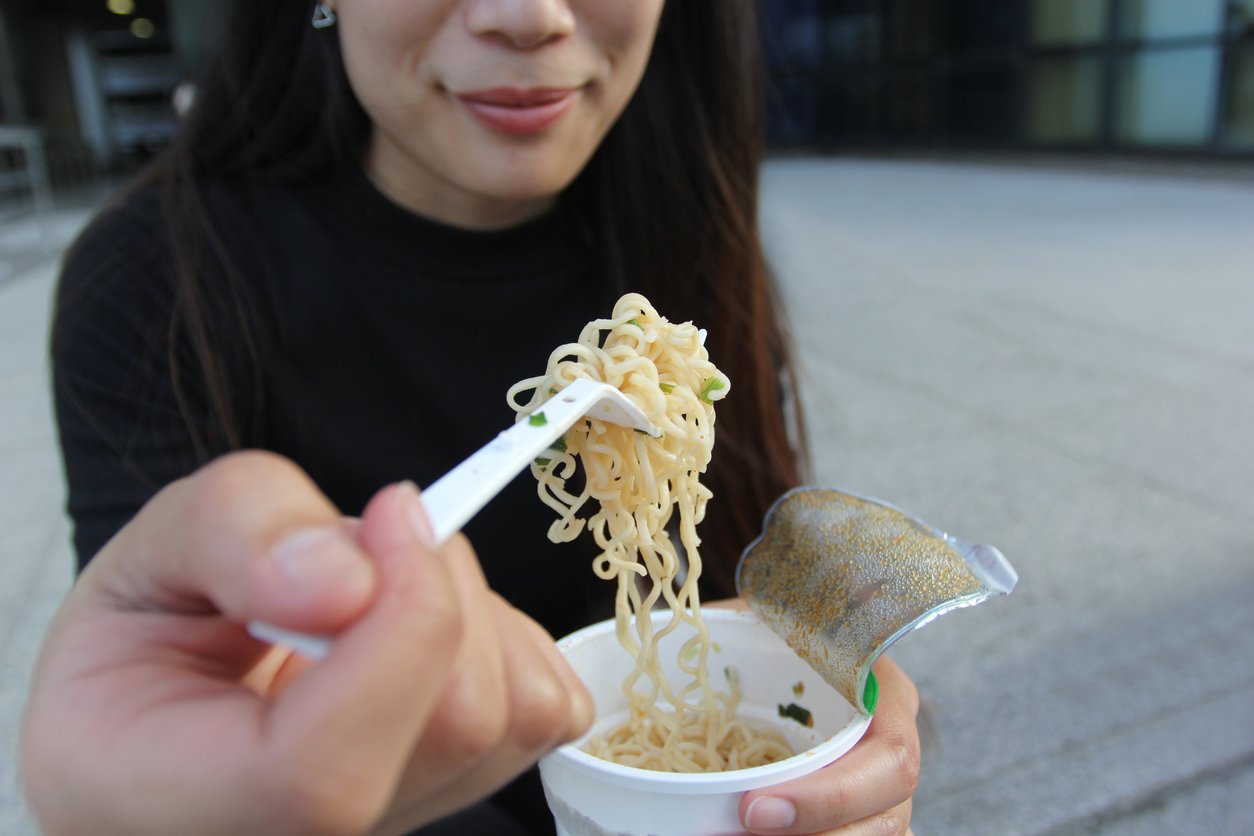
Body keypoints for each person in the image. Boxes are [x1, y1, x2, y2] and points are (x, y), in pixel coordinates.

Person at [22, 1, 921, 834]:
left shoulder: (681, 230)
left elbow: (732, 576)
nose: (528, 16)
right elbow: (167, 717)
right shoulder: (155, 283)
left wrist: (830, 695)